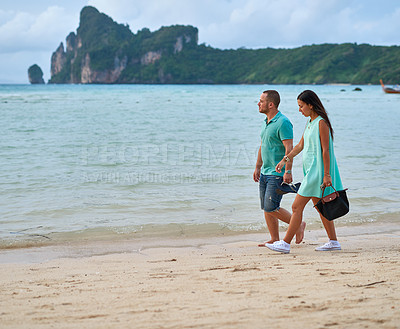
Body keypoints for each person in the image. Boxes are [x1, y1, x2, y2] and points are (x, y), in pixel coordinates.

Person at [266, 90, 344, 254]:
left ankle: (285, 243)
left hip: (318, 171)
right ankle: (333, 241)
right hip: (311, 171)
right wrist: (284, 160)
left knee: (296, 207)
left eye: (301, 106)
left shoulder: (321, 123)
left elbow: (325, 151)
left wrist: (327, 174)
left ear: (310, 105)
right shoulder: (311, 122)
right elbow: (300, 146)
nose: (299, 110)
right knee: (321, 206)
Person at [253, 90, 306, 246]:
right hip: (265, 172)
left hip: (277, 173)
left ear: (271, 104)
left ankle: (298, 225)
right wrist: (257, 167)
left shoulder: (283, 122)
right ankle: (274, 238)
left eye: (261, 101)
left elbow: (289, 148)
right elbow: (263, 146)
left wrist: (288, 170)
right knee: (266, 207)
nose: (258, 103)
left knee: (271, 207)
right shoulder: (265, 122)